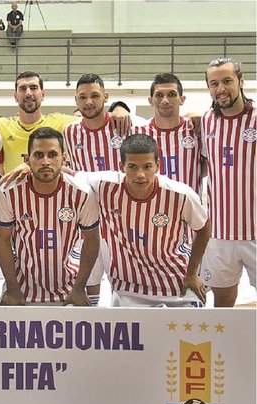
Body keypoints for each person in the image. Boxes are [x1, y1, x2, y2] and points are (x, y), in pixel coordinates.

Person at [80, 133, 211, 307]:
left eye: (147, 166)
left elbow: (203, 228)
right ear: (121, 166)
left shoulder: (180, 194)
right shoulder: (104, 185)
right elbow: (69, 174)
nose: (140, 174)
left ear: (158, 166)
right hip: (128, 289)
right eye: (132, 166)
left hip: (176, 285)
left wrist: (193, 273)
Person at [0, 71, 131, 174]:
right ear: (15, 96)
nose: (29, 93)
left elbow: (92, 113)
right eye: (23, 89)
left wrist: (119, 107)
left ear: (43, 94)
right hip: (14, 206)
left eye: (33, 88)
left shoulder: (62, 123)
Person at [0, 127, 100, 306]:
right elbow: (2, 240)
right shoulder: (8, 192)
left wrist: (80, 287)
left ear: (64, 158)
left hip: (69, 288)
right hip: (21, 288)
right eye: (38, 155)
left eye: (52, 154)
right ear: (27, 159)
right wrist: (12, 287)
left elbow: (92, 239)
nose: (45, 161)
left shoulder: (82, 193)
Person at [63, 73, 134, 303]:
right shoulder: (70, 132)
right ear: (76, 100)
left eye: (95, 96)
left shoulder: (123, 124)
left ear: (106, 97)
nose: (89, 102)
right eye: (83, 97)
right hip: (88, 221)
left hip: (122, 220)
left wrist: (122, 108)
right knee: (89, 286)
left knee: (125, 286)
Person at [200, 57, 256, 307]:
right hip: (220, 233)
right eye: (214, 83)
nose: (220, 89)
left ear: (241, 81)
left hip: (255, 231)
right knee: (222, 307)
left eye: (227, 81)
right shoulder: (205, 121)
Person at [133, 73, 205, 195]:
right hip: (151, 209)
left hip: (188, 209)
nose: (165, 101)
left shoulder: (196, 130)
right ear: (151, 101)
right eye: (159, 95)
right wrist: (119, 106)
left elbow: (208, 166)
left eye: (172, 95)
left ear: (182, 99)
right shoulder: (138, 133)